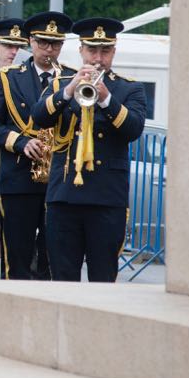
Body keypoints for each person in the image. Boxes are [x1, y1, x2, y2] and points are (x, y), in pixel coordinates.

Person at [32, 18, 146, 282]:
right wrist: (70, 90)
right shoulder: (62, 84)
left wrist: (106, 98)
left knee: (103, 278)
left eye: (105, 51)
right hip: (65, 195)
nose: (98, 58)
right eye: (92, 50)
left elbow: (133, 129)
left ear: (113, 53)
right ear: (81, 51)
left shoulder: (129, 89)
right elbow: (39, 117)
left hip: (106, 198)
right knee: (62, 276)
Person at [0, 12, 73, 281]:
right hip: (19, 177)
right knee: (16, 257)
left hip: (58, 179)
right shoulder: (10, 77)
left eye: (55, 44)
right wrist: (20, 142)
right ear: (31, 42)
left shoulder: (70, 78)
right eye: (43, 42)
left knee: (52, 257)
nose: (49, 49)